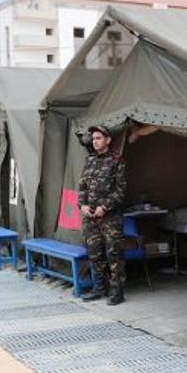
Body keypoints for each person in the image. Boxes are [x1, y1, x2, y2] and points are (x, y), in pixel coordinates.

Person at [78, 125, 127, 306]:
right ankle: (99, 288)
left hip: (110, 218)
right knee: (94, 254)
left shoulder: (116, 161)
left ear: (108, 140)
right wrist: (82, 205)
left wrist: (104, 207)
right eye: (93, 139)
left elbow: (121, 190)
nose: (95, 141)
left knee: (114, 254)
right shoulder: (89, 160)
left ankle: (117, 292)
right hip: (90, 217)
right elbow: (82, 186)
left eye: (98, 138)